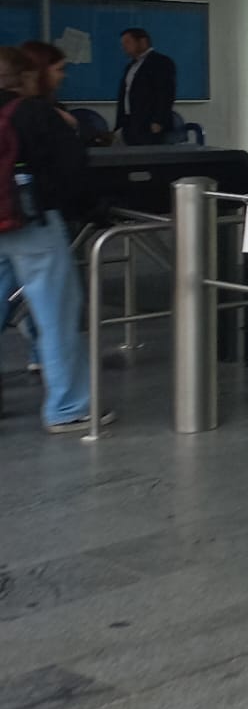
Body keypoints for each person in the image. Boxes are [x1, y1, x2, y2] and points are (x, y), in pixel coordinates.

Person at [0, 47, 101, 431]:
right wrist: (91, 209)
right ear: (26, 77)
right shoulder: (35, 112)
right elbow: (72, 170)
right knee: (56, 312)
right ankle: (67, 407)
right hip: (31, 222)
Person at [114, 27, 177, 145]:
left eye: (128, 42)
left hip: (150, 125)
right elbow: (126, 95)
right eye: (123, 44)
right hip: (130, 123)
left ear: (142, 42)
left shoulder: (161, 62)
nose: (124, 47)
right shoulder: (131, 66)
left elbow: (166, 93)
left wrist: (159, 121)